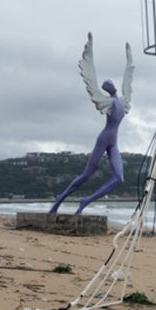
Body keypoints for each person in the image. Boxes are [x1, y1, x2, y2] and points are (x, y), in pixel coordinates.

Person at [49, 80, 124, 214]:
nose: (109, 86)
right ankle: (60, 199)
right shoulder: (109, 102)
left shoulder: (122, 103)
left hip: (114, 141)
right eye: (107, 85)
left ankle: (86, 200)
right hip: (104, 139)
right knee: (88, 173)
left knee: (119, 178)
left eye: (109, 84)